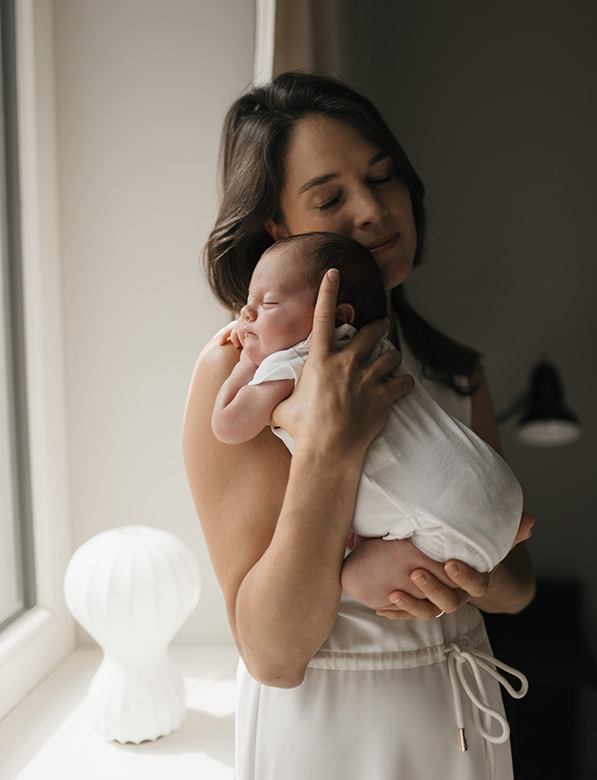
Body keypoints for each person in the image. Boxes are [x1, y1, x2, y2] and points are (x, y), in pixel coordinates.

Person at [183, 72, 535, 779]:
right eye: (330, 198)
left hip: (460, 710)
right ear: (276, 228)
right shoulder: (239, 377)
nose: (374, 210)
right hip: (327, 726)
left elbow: (518, 585)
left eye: (383, 177)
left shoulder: (453, 367)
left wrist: (462, 571)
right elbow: (272, 654)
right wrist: (328, 450)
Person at [211, 231, 524, 611]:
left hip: (455, 526)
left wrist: (247, 363)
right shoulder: (377, 348)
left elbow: (228, 425)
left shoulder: (297, 359)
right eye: (248, 303)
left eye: (268, 303)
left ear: (336, 316)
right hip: (501, 490)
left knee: (356, 578)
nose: (246, 315)